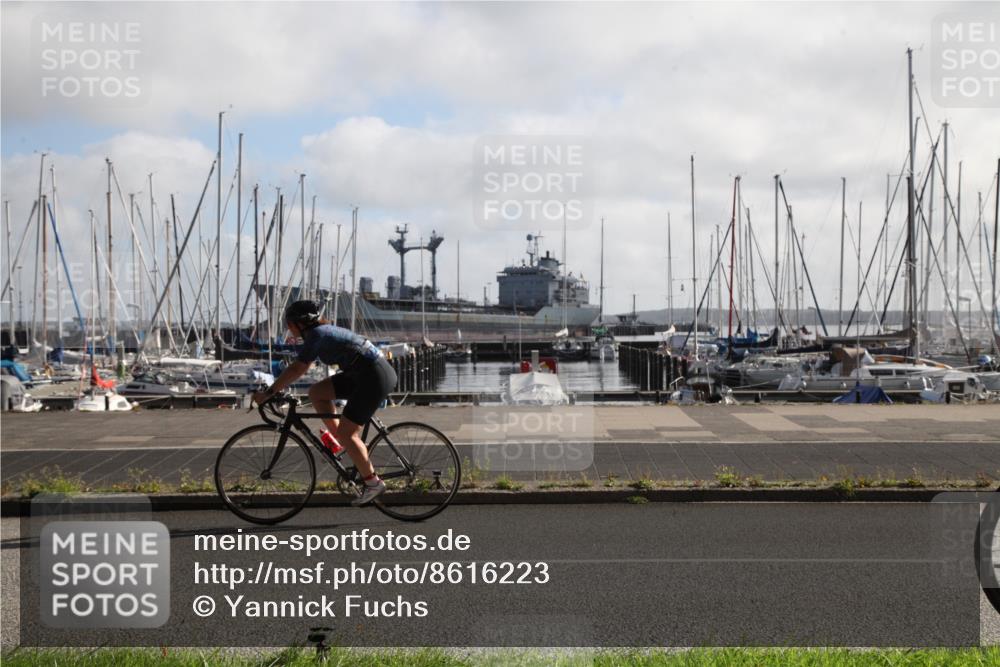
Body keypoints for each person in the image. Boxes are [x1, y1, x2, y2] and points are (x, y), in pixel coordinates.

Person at [252, 300, 397, 506]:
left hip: (374, 376)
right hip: (361, 373)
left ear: (300, 324)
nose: (288, 328)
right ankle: (340, 443)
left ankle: (373, 483)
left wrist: (269, 392)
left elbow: (297, 369)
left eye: (289, 323)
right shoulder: (318, 332)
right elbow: (298, 369)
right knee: (317, 392)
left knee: (349, 433)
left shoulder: (317, 335)